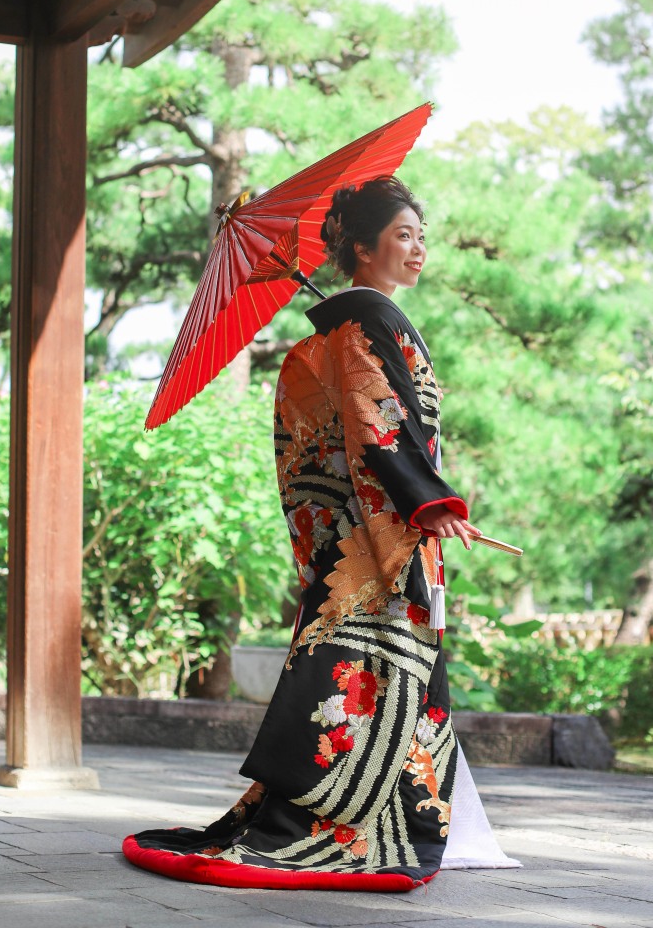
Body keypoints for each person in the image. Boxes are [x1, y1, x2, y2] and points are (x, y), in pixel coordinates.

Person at [123, 176, 518, 890]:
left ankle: (404, 817)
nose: (418, 247)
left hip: (365, 529)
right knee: (378, 673)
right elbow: (378, 426)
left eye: (421, 235)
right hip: (383, 534)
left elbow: (338, 441)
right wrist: (430, 502)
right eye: (403, 235)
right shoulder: (366, 325)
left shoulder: (343, 329)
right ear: (361, 250)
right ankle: (371, 825)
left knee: (378, 676)